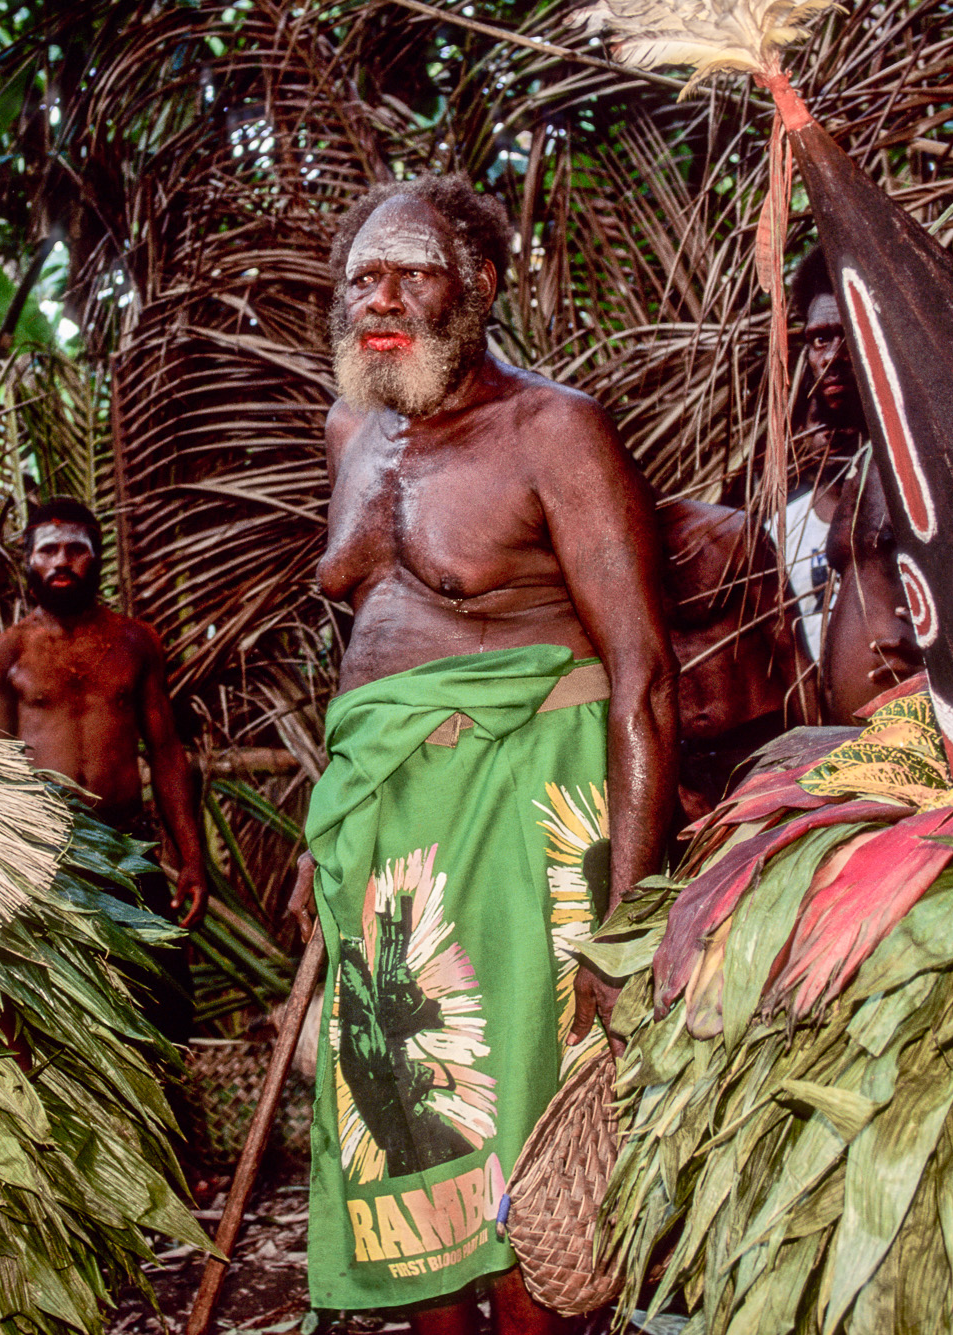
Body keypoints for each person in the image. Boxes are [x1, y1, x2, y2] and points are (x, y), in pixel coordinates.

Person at [296, 174, 675, 1332]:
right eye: (362, 275)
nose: (381, 297)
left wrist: (626, 923)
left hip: (521, 806)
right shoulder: (349, 431)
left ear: (479, 288)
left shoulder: (552, 431)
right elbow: (364, 644)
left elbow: (642, 676)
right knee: (409, 1131)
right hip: (387, 831)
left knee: (527, 1151)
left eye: (412, 271)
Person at [0, 498, 209, 932]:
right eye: (47, 551)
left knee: (159, 990)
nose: (61, 562)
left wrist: (191, 857)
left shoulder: (136, 643)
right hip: (45, 857)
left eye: (75, 549)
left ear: (97, 558)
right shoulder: (3, 653)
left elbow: (166, 753)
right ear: (28, 561)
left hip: (127, 846)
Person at [659, 499, 816, 821]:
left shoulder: (729, 530)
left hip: (764, 743)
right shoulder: (607, 565)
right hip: (686, 765)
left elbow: (792, 652)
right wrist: (674, 788)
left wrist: (821, 752)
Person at [779, 249, 867, 661]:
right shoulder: (777, 531)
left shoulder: (922, 489)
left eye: (847, 333)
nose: (832, 356)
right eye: (819, 340)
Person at [819, 459, 923, 723]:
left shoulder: (928, 451)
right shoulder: (862, 465)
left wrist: (940, 652)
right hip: (847, 727)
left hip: (907, 707)